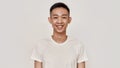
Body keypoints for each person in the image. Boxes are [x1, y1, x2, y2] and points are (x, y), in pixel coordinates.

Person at [31, 2, 88, 68]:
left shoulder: (78, 45)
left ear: (69, 20)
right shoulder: (40, 45)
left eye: (64, 17)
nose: (59, 21)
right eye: (55, 17)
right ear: (50, 20)